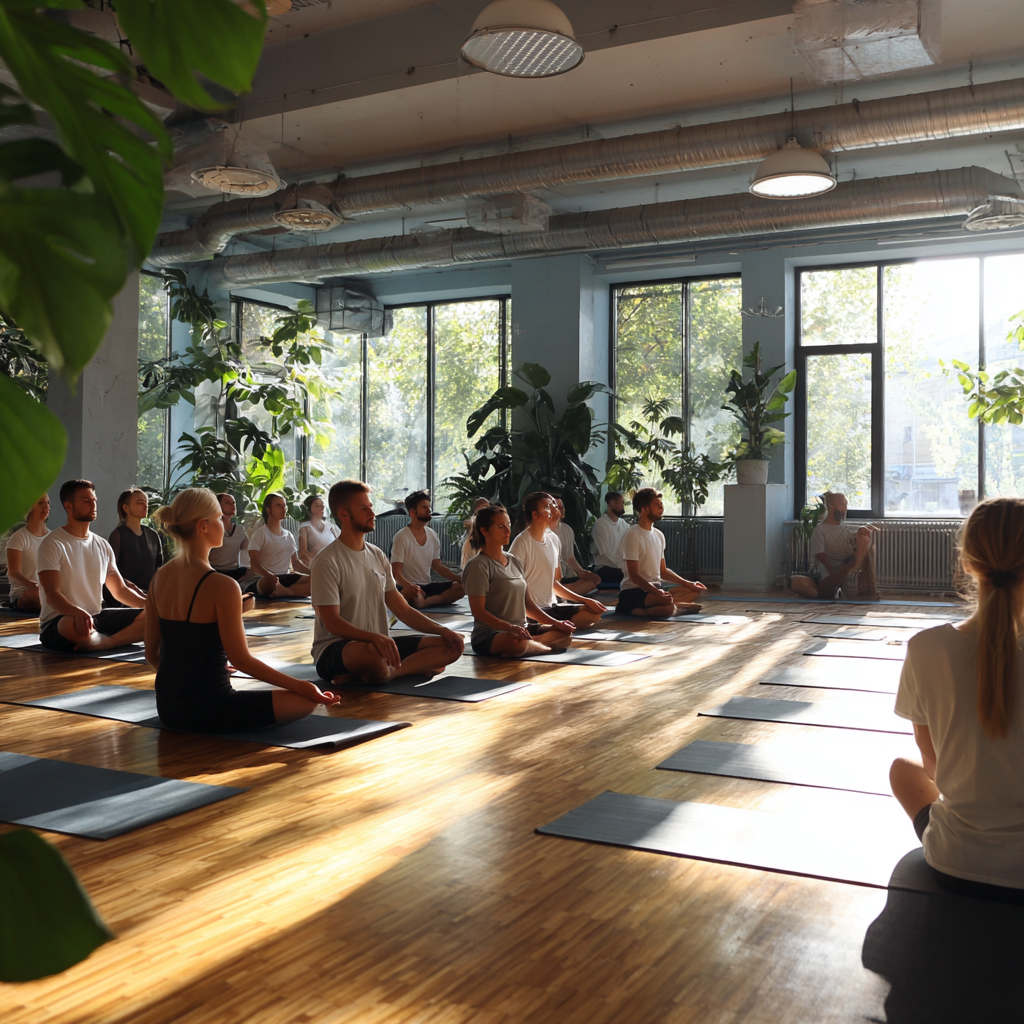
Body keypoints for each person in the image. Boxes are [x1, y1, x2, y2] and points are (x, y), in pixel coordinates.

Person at [889, 497, 1024, 903]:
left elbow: (933, 765)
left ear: (967, 562)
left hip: (953, 863)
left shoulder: (925, 648)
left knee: (903, 770)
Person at [146, 488, 340, 732]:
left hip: (167, 707)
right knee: (303, 702)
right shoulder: (222, 585)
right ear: (203, 526)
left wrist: (184, 681)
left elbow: (152, 655)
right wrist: (302, 686)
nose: (225, 523)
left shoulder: (159, 578)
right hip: (210, 707)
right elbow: (242, 661)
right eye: (218, 518)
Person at [310, 480, 465, 686]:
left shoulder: (377, 555)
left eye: (371, 507)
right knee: (371, 655)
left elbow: (402, 609)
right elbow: (332, 622)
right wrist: (374, 638)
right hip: (338, 649)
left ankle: (388, 673)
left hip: (380, 644)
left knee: (452, 645)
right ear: (344, 515)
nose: (372, 514)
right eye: (364, 509)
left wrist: (442, 630)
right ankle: (389, 669)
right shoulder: (326, 561)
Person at [36, 479, 147, 651]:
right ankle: (103, 639)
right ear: (68, 506)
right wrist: (76, 611)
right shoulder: (52, 544)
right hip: (62, 620)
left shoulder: (102, 545)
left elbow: (120, 590)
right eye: (86, 501)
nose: (93, 505)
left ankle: (108, 642)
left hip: (97, 617)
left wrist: (150, 605)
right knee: (71, 625)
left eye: (94, 500)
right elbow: (53, 595)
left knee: (154, 618)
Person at [465, 504, 575, 658]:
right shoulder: (478, 565)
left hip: (522, 629)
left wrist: (556, 623)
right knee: (516, 641)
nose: (508, 531)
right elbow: (478, 612)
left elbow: (528, 605)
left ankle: (527, 645)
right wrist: (508, 627)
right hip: (492, 634)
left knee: (563, 634)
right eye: (501, 527)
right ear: (485, 531)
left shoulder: (514, 561)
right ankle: (538, 647)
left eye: (508, 525)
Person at [508, 492, 606, 629]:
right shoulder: (522, 543)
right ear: (535, 514)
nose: (554, 508)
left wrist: (585, 600)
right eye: (547, 506)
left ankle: (553, 627)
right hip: (531, 611)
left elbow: (554, 583)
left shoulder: (553, 539)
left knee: (593, 613)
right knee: (561, 638)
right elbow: (513, 588)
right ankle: (550, 628)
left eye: (554, 504)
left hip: (552, 606)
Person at [617, 488, 705, 618]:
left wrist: (687, 583)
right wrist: (657, 592)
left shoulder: (658, 535)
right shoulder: (632, 535)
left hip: (655, 589)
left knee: (693, 592)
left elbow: (663, 571)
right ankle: (634, 608)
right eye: (657, 506)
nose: (661, 508)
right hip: (634, 592)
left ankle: (672, 606)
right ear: (644, 509)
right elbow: (634, 575)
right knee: (667, 605)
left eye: (661, 505)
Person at [791, 491, 880, 600]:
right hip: (831, 576)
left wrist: (864, 532)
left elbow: (866, 532)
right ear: (831, 507)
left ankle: (842, 589)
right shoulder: (820, 530)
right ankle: (825, 592)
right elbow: (820, 555)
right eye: (842, 504)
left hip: (848, 574)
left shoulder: (847, 529)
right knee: (797, 582)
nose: (845, 508)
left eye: (846, 505)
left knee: (867, 543)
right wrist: (834, 575)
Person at [390, 490, 465, 608]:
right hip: (409, 587)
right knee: (409, 594)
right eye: (424, 507)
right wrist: (410, 586)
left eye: (429, 506)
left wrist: (459, 578)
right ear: (412, 512)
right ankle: (424, 600)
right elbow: (396, 573)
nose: (429, 510)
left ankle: (427, 602)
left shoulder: (432, 535)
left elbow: (437, 565)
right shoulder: (401, 537)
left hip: (426, 586)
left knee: (461, 587)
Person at [248, 492, 311, 598]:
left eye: (284, 505)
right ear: (269, 509)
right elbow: (254, 565)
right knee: (270, 583)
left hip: (284, 577)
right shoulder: (260, 534)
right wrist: (269, 575)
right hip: (265, 578)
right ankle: (285, 590)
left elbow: (295, 562)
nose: (283, 508)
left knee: (315, 581)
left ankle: (285, 591)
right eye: (279, 505)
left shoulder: (289, 535)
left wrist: (312, 573)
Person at [108, 487, 163, 592]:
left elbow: (159, 568)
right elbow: (112, 571)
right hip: (125, 598)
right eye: (140, 502)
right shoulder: (118, 535)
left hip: (150, 596)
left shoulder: (152, 535)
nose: (145, 505)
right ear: (126, 508)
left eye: (146, 502)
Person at [5, 494, 50, 612]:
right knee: (37, 595)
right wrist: (31, 584)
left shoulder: (52, 538)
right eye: (41, 503)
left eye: (48, 503)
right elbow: (13, 573)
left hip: (48, 591)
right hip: (24, 593)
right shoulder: (18, 538)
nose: (46, 507)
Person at [551, 497, 601, 596]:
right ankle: (560, 592)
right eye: (557, 507)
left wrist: (583, 572)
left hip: (565, 577)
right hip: (549, 579)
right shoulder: (543, 532)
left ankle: (561, 592)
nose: (561, 510)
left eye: (562, 507)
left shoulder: (567, 529)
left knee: (592, 582)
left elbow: (570, 558)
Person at [591, 491, 630, 586]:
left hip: (621, 568)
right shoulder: (601, 524)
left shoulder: (624, 524)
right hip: (606, 568)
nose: (623, 505)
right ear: (612, 503)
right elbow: (605, 555)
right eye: (621, 502)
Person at [209, 492, 250, 580]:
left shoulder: (240, 530)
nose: (232, 505)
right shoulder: (210, 529)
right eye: (228, 503)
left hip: (234, 571)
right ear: (218, 505)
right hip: (214, 571)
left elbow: (248, 552)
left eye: (233, 503)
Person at [296, 493, 340, 571]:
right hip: (317, 567)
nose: (321, 508)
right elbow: (302, 553)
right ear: (309, 507)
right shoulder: (305, 527)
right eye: (317, 505)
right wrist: (316, 564)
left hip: (334, 565)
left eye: (322, 506)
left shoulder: (330, 525)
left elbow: (339, 544)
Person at [461, 496, 491, 568]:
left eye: (488, 508)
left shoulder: (494, 538)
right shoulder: (470, 542)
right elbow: (465, 566)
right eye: (483, 507)